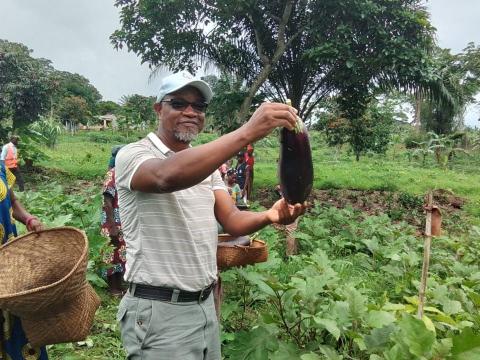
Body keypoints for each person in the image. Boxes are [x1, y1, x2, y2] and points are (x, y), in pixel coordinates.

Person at [115, 71, 305, 360]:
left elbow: (231, 220)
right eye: (179, 103)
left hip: (204, 305)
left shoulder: (209, 167)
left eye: (199, 106)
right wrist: (247, 132)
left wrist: (270, 214)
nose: (191, 112)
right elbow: (166, 176)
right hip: (159, 311)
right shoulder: (133, 155)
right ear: (158, 109)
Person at [0, 162, 47, 359]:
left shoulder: (0, 166)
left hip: (11, 264)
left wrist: (29, 219)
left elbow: (13, 201)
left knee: (18, 325)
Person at [100, 146, 126, 297]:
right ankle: (112, 288)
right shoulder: (113, 174)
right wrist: (112, 227)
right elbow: (106, 201)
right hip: (111, 223)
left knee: (120, 254)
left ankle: (119, 286)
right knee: (111, 255)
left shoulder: (122, 173)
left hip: (120, 222)